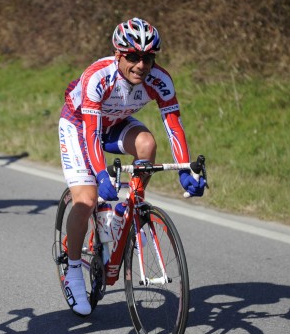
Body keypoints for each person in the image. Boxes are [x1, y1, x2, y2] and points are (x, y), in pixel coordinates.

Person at [58, 17, 206, 315]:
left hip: (115, 124)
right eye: (133, 57)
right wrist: (101, 174)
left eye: (147, 58)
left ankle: (129, 209)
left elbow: (173, 126)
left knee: (147, 144)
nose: (141, 65)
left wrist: (185, 169)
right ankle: (72, 271)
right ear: (118, 54)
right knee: (86, 200)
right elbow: (91, 134)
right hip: (80, 126)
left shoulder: (159, 80)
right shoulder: (98, 76)